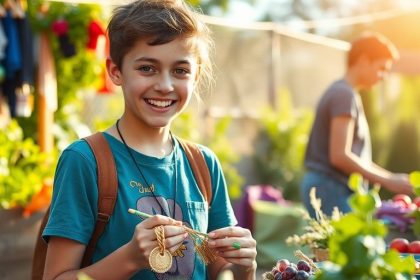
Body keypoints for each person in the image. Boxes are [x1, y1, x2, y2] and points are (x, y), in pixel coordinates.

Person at [42, 1, 257, 279]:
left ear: (196, 76)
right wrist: (130, 258)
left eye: (180, 71)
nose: (165, 85)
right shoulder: (86, 160)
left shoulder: (203, 164)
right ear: (115, 71)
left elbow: (220, 271)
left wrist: (244, 266)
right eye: (147, 68)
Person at [300, 32, 413, 218]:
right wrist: (388, 180)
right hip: (331, 186)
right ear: (363, 60)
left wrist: (390, 177)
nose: (384, 76)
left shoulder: (343, 92)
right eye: (382, 68)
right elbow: (339, 156)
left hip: (328, 185)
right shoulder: (344, 95)